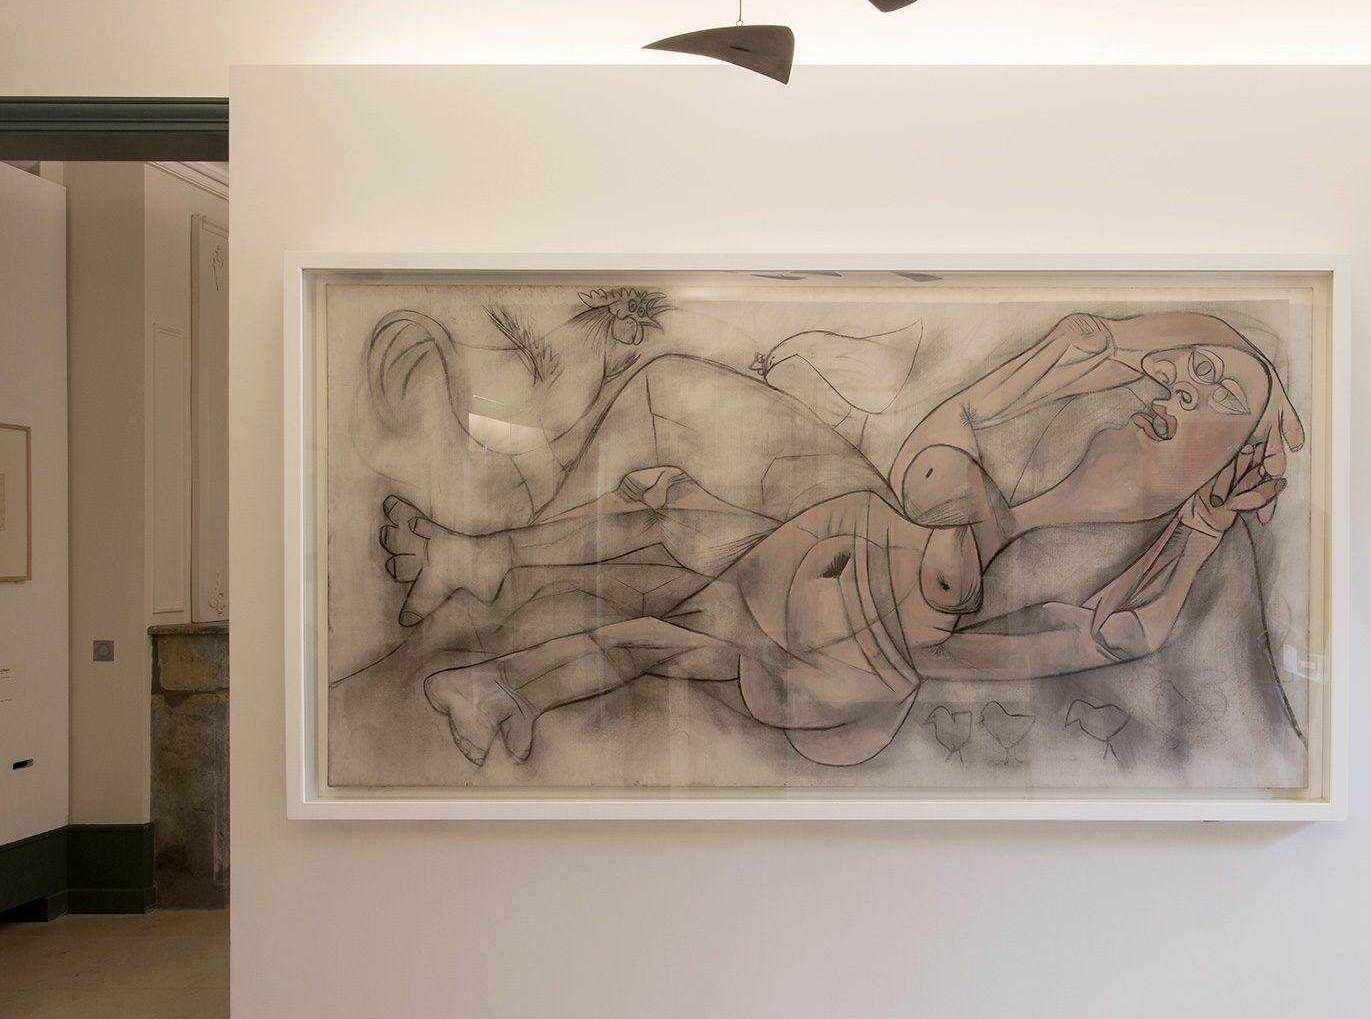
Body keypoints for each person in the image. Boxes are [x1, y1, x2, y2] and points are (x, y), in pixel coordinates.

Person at [382, 310, 1304, 766]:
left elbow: (1116, 633)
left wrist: (1201, 527)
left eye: (1213, 397)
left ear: (1233, 462)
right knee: (660, 522)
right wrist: (1123, 348)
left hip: (851, 658)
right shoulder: (1017, 455)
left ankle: (497, 669)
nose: (1177, 390)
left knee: (660, 631)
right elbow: (1059, 358)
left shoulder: (1119, 543)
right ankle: (485, 595)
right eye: (1186, 373)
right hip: (817, 557)